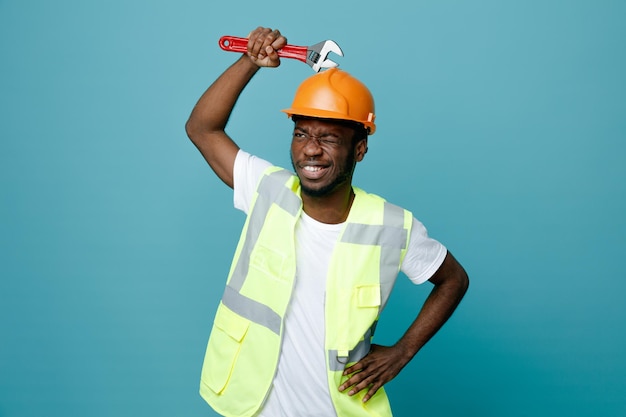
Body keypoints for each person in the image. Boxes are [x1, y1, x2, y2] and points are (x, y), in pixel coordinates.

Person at [185, 26, 469, 417]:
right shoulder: (267, 190)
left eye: (330, 139)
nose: (311, 150)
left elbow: (453, 279)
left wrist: (404, 351)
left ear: (360, 149)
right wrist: (250, 61)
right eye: (302, 134)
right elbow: (202, 128)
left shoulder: (393, 226)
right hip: (251, 404)